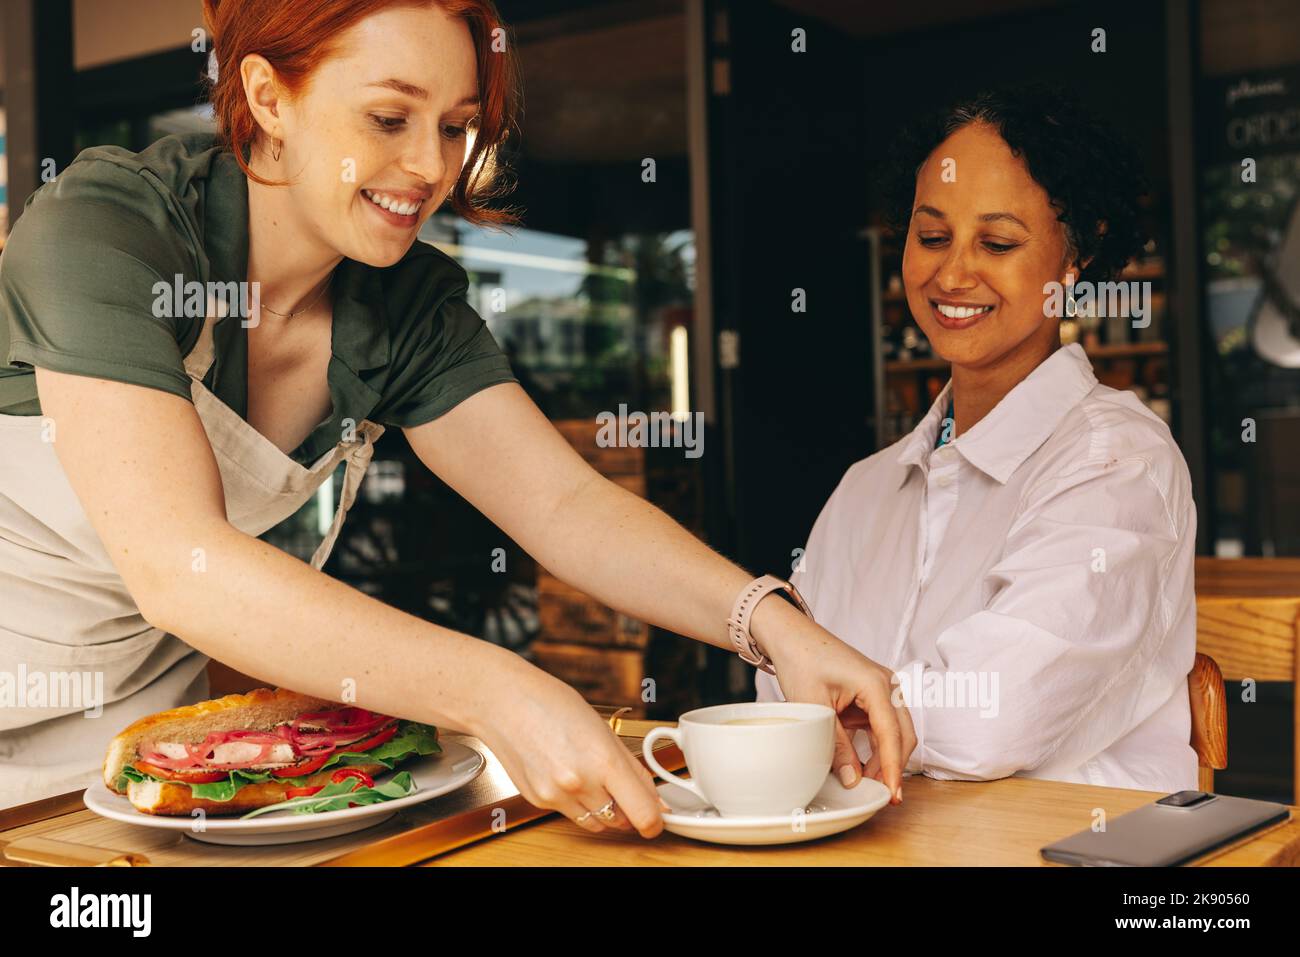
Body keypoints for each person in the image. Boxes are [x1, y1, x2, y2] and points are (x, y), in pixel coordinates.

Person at [0, 0, 914, 824]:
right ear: (268, 97)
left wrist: (773, 622)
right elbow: (176, 561)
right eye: (390, 119)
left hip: (128, 733)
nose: (431, 167)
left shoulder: (400, 302)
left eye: (455, 126)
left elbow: (564, 507)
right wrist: (498, 691)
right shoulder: (109, 228)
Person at [759, 86, 1199, 793]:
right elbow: (777, 689)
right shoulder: (865, 488)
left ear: (1071, 260)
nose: (953, 272)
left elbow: (999, 712)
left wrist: (841, 713)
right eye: (932, 236)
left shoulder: (1117, 462)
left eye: (997, 242)